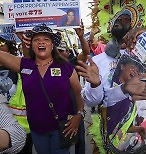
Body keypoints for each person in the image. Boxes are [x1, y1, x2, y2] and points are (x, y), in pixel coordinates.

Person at [76, 9, 146, 153]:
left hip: (136, 135)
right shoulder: (97, 61)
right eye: (117, 19)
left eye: (125, 19)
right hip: (107, 136)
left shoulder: (144, 59)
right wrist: (95, 85)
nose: (119, 21)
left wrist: (145, 34)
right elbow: (92, 102)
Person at [0, 23, 84, 154]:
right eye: (36, 40)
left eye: (46, 39)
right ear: (32, 45)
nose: (41, 42)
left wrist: (79, 115)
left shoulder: (65, 67)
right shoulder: (24, 65)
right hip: (37, 130)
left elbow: (79, 93)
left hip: (61, 128)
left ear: (52, 45)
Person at [57, 22, 90, 154]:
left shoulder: (72, 64)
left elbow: (86, 53)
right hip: (59, 112)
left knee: (79, 141)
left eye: (61, 51)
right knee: (62, 143)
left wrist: (81, 37)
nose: (59, 53)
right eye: (57, 50)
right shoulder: (47, 66)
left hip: (76, 110)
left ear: (67, 52)